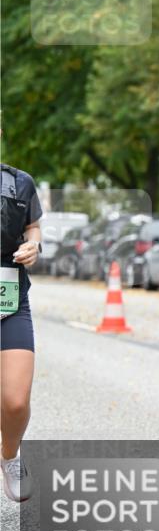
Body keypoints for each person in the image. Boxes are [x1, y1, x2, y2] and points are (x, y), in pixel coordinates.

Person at [0, 153, 43, 503]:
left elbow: (32, 229)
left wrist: (33, 246)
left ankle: (10, 455)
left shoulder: (19, 182)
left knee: (15, 402)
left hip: (9, 303)